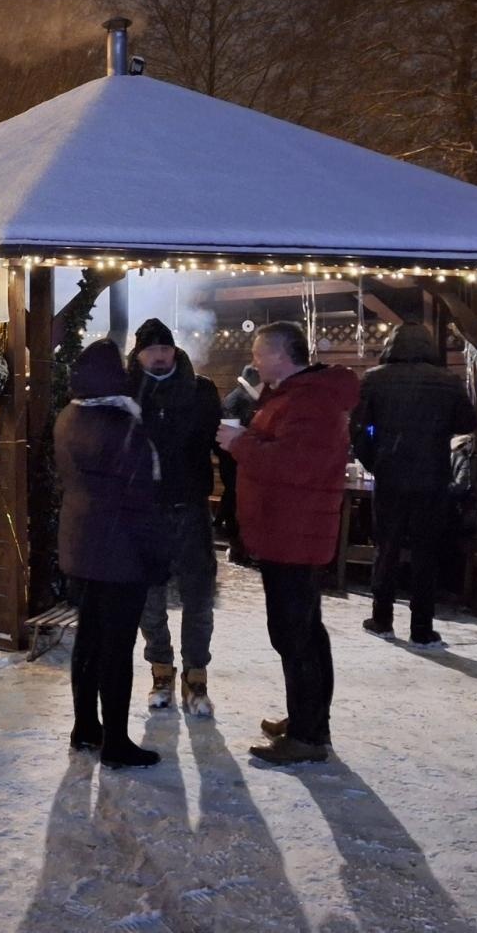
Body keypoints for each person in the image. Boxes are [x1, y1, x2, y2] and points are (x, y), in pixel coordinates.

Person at [219, 321, 359, 766]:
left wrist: (241, 443)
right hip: (288, 530)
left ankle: (308, 735)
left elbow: (294, 464)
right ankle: (308, 719)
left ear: (282, 355)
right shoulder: (292, 396)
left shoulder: (309, 400)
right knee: (304, 633)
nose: (255, 360)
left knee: (295, 635)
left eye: (260, 352)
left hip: (294, 532)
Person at [57, 339, 168, 769]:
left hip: (83, 544)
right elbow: (140, 501)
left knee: (88, 639)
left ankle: (86, 727)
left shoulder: (70, 415)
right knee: (116, 649)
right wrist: (156, 556)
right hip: (121, 552)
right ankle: (117, 742)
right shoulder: (123, 426)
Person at [349, 322, 477, 648]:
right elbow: (467, 423)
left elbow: (358, 428)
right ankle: (422, 627)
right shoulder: (448, 381)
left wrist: (372, 461)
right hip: (433, 475)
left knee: (386, 548)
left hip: (390, 473)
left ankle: (382, 618)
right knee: (426, 553)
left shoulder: (375, 379)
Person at [127, 319, 222, 717]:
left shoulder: (201, 391)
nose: (160, 355)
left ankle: (196, 674)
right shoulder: (127, 392)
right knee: (149, 598)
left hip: (191, 507)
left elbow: (214, 441)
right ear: (139, 354)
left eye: (165, 348)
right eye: (152, 350)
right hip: (144, 510)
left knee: (198, 596)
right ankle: (161, 670)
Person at [216, 365, 261, 565]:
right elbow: (230, 437)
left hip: (234, 461)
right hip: (234, 461)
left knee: (234, 498)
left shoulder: (239, 397)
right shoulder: (239, 400)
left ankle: (236, 545)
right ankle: (237, 547)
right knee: (235, 500)